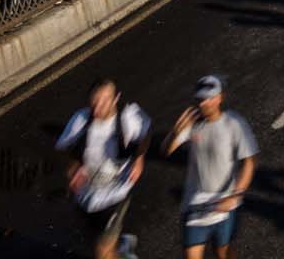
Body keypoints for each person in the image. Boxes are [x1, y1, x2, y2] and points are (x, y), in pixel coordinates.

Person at [55, 78, 151, 259]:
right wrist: (73, 168)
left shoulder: (128, 118)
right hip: (88, 194)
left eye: (104, 101)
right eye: (94, 102)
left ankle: (117, 247)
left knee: (102, 252)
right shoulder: (80, 120)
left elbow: (145, 135)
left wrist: (139, 159)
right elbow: (62, 148)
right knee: (100, 245)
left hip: (117, 192)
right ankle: (123, 248)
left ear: (116, 98)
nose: (98, 107)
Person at [164, 76, 258, 259]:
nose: (204, 103)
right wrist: (175, 133)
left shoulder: (234, 123)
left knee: (223, 252)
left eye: (209, 98)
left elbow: (250, 161)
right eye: (200, 99)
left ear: (220, 97)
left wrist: (236, 195)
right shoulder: (193, 122)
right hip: (194, 205)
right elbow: (167, 151)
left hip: (225, 204)